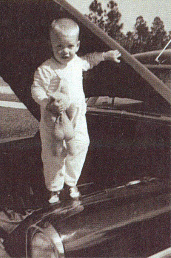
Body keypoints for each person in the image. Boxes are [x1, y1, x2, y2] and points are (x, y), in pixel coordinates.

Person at [31, 18, 121, 204]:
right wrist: (47, 102)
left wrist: (106, 55)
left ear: (77, 45)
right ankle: (54, 189)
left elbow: (90, 60)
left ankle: (71, 182)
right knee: (53, 155)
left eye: (70, 46)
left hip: (77, 119)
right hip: (53, 121)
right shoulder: (45, 69)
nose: (65, 51)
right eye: (59, 46)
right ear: (51, 45)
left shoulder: (77, 62)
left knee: (80, 145)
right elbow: (36, 89)